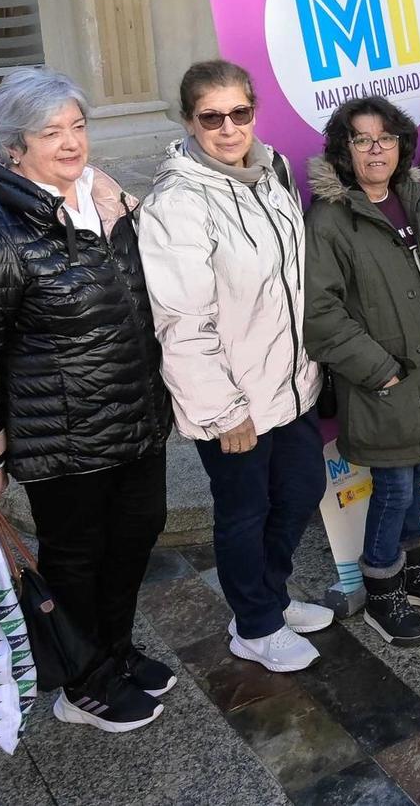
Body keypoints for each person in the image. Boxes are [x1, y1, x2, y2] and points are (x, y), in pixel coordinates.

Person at [0, 67, 171, 734]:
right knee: (76, 555)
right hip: (62, 438)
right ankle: (82, 680)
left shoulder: (101, 200)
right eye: (50, 132)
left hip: (136, 420)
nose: (71, 142)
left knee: (135, 537)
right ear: (14, 148)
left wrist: (125, 204)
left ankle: (114, 651)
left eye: (77, 125)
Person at [139, 60, 330, 674]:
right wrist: (223, 412)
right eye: (211, 118)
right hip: (233, 402)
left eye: (239, 114)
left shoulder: (270, 173)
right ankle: (254, 623)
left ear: (254, 110)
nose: (228, 129)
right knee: (245, 513)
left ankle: (269, 596)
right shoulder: (178, 203)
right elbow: (180, 321)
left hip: (290, 386)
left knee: (301, 490)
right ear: (189, 121)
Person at [303, 97, 420, 647]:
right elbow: (319, 312)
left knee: (417, 474)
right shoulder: (331, 219)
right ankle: (381, 591)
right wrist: (379, 371)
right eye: (361, 139)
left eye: (386, 139)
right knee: (395, 487)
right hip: (385, 379)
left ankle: (414, 571)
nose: (375, 150)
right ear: (344, 150)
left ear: (401, 146)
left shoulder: (414, 201)